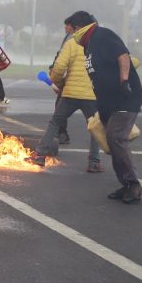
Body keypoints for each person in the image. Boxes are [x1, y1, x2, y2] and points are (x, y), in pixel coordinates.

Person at [75, 15, 142, 204]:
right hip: (107, 103)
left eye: (71, 30)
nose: (72, 35)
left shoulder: (102, 35)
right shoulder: (88, 46)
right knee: (112, 142)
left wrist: (123, 80)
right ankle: (126, 184)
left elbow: (122, 55)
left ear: (80, 27)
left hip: (125, 98)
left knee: (116, 138)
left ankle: (134, 184)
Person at [28, 12, 102, 171]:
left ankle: (40, 155)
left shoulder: (72, 42)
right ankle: (94, 163)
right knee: (95, 127)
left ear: (77, 27)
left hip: (70, 94)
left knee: (55, 122)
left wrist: (58, 83)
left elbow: (59, 67)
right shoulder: (102, 43)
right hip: (92, 94)